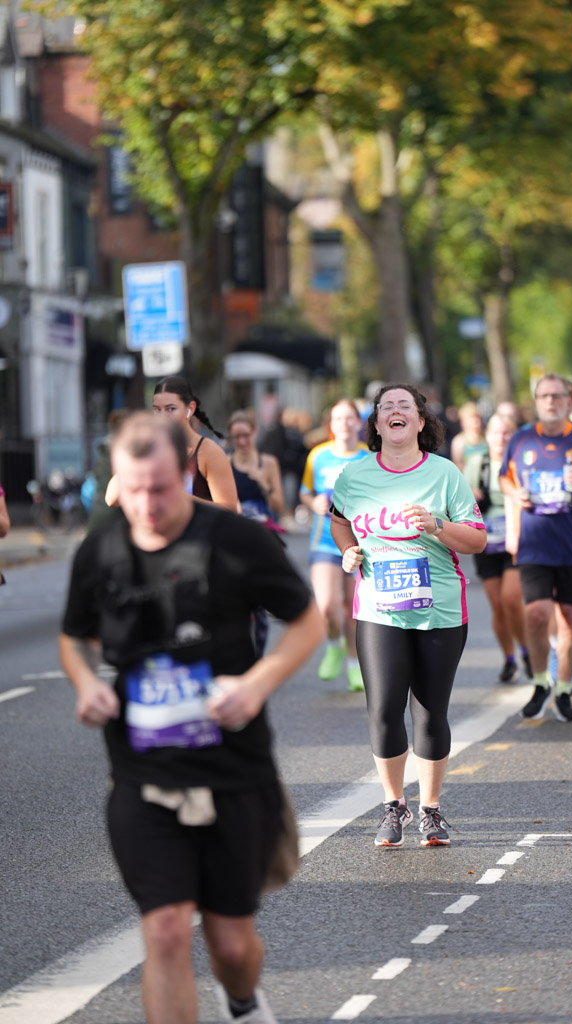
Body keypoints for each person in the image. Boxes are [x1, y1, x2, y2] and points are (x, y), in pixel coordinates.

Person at [59, 412, 324, 1024]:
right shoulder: (102, 549)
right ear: (116, 482)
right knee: (167, 932)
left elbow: (306, 621)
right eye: (134, 490)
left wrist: (257, 683)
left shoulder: (235, 541)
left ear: (185, 473)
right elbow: (72, 638)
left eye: (160, 488)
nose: (147, 505)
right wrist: (84, 685)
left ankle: (241, 999)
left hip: (234, 769)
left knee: (230, 943)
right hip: (143, 775)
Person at [329, 384, 486, 847]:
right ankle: (393, 804)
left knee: (430, 711)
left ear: (420, 421)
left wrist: (437, 526)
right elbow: (338, 519)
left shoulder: (445, 474)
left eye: (405, 407)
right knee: (382, 709)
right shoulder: (353, 476)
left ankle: (431, 810)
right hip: (379, 608)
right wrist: (348, 551)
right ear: (376, 425)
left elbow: (477, 540)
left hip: (439, 607)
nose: (395, 413)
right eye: (386, 408)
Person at [500, 372, 572, 724]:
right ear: (536, 401)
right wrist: (514, 492)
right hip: (534, 545)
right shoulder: (520, 440)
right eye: (545, 396)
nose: (551, 402)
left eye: (558, 396)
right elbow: (505, 476)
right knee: (536, 614)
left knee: (571, 619)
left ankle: (563, 688)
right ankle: (538, 682)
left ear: (568, 400)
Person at [300, 400, 369, 692]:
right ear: (331, 424)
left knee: (352, 607)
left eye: (349, 417)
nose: (344, 423)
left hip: (360, 541)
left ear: (358, 422)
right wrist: (312, 502)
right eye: (338, 418)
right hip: (325, 540)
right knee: (326, 605)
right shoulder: (318, 455)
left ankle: (354, 664)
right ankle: (333, 645)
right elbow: (306, 493)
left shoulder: (368, 456)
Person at [464, 412, 530, 683]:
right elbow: (460, 500)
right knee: (498, 606)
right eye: (495, 432)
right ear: (486, 436)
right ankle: (509, 657)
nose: (500, 438)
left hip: (517, 539)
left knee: (511, 598)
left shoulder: (522, 462)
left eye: (506, 433)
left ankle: (527, 649)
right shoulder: (476, 463)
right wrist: (472, 496)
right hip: (486, 541)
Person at [106, 377, 238, 512]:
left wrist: (178, 497)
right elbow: (112, 498)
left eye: (170, 409)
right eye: (157, 409)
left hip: (199, 531)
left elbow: (229, 510)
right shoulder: (150, 447)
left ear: (190, 409)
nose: (163, 417)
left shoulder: (207, 451)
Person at [228, 409, 284, 527]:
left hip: (264, 532)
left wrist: (264, 485)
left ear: (255, 432)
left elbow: (278, 508)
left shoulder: (269, 463)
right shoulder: (226, 463)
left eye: (246, 435)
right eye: (237, 437)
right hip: (236, 530)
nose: (242, 441)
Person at [450, 401, 488, 472]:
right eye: (471, 419)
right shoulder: (458, 441)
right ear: (463, 422)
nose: (475, 422)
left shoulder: (487, 438)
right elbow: (458, 466)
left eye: (477, 418)